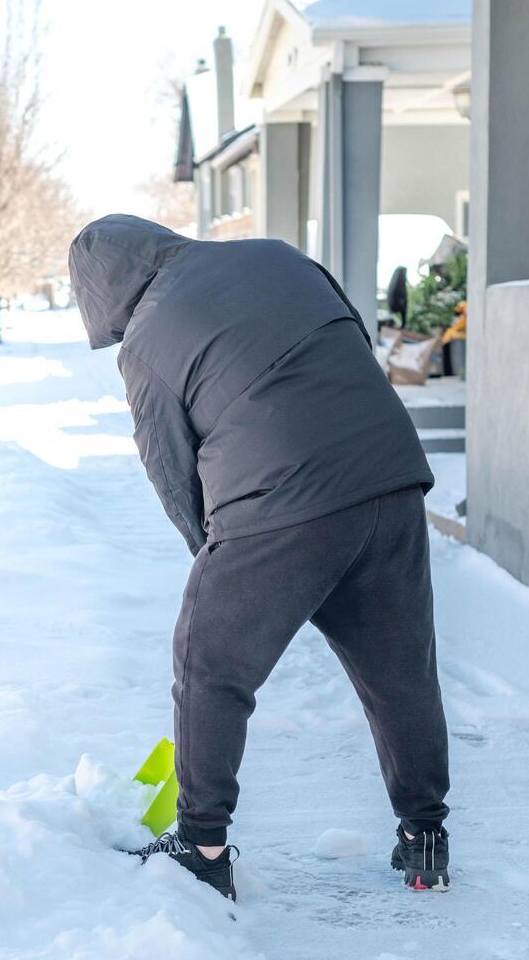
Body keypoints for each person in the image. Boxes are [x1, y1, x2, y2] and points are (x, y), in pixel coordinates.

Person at [67, 215, 452, 901]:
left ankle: (202, 845)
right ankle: (423, 834)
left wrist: (214, 556)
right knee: (400, 671)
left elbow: (168, 466)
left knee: (208, 664)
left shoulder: (148, 340)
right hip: (390, 477)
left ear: (105, 292)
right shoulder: (277, 256)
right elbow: (352, 341)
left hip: (281, 502)